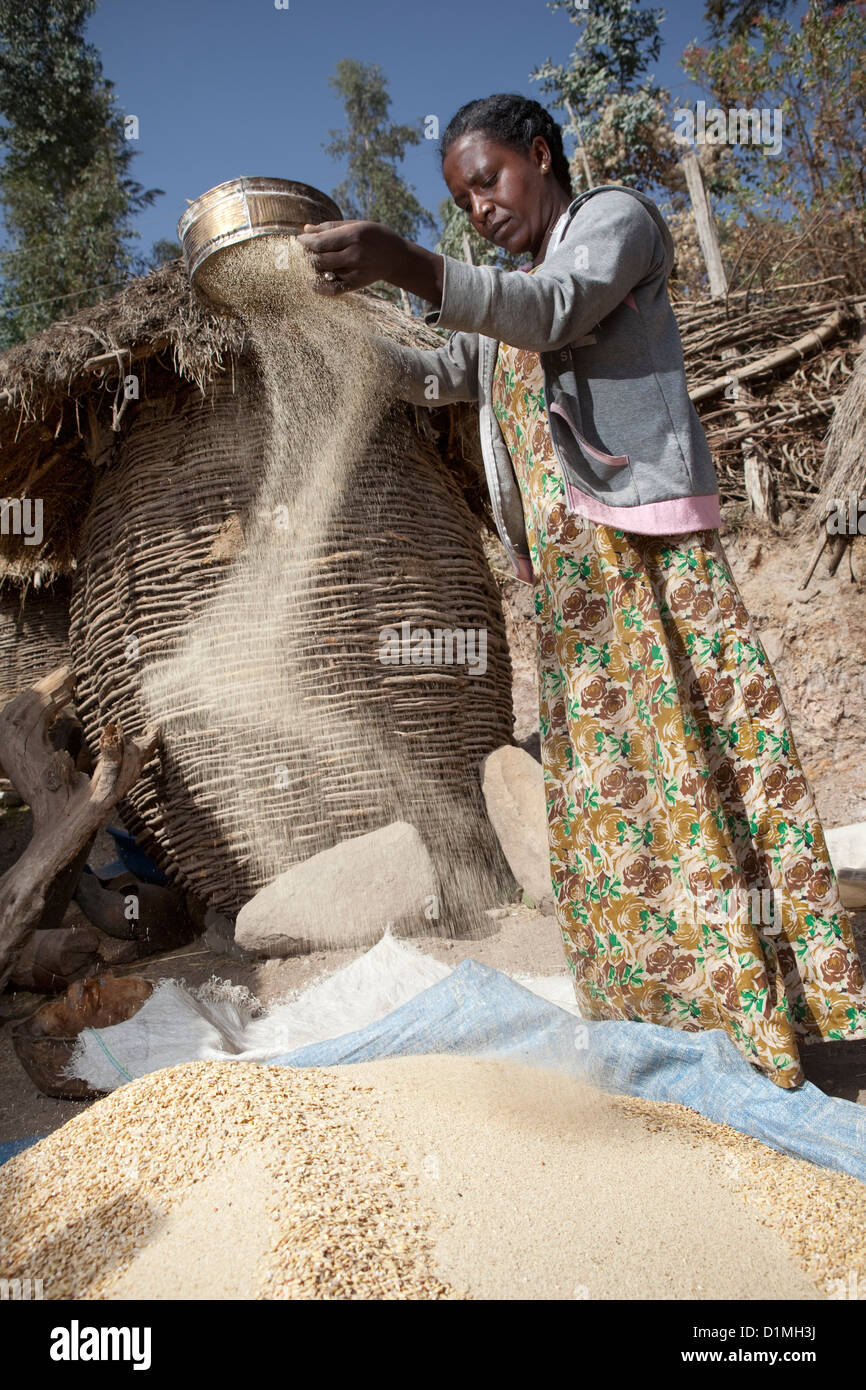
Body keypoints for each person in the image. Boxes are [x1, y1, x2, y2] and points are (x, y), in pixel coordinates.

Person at [296, 93, 866, 1090]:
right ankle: (664, 1021)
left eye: (488, 180)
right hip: (572, 594)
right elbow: (440, 375)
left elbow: (553, 311)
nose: (477, 207)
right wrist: (324, 328)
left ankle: (783, 1013)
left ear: (540, 154)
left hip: (643, 565)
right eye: (460, 199)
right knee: (620, 808)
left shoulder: (613, 225)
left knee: (702, 772)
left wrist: (407, 261)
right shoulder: (504, 287)